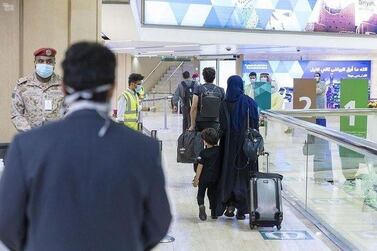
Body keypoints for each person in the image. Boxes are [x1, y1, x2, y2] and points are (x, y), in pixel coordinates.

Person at [0, 42, 171, 251]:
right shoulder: (144, 149)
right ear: (111, 88)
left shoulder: (25, 148)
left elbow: (7, 222)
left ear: (64, 88)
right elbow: (158, 222)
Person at [216, 75, 259, 220]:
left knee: (229, 175)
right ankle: (243, 209)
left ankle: (229, 206)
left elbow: (221, 126)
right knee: (245, 175)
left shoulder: (224, 104)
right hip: (247, 148)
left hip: (229, 147)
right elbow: (255, 125)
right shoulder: (250, 102)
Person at [11, 48, 65, 132]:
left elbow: (71, 111)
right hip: (31, 138)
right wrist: (30, 133)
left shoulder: (64, 85)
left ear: (54, 64)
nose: (45, 64)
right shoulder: (23, 85)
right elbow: (16, 114)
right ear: (35, 63)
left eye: (49, 61)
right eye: (40, 61)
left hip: (58, 138)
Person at [192, 128, 221, 221]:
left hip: (204, 178)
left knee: (201, 194)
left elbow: (199, 167)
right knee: (212, 195)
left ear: (205, 141)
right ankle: (214, 212)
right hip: (216, 178)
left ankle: (201, 206)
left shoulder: (203, 153)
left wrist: (196, 179)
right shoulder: (220, 151)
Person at [188, 67, 225, 132]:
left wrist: (192, 125)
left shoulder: (198, 89)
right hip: (215, 122)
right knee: (213, 140)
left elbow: (194, 107)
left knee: (199, 140)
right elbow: (223, 108)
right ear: (214, 77)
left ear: (204, 77)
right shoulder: (221, 90)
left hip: (200, 122)